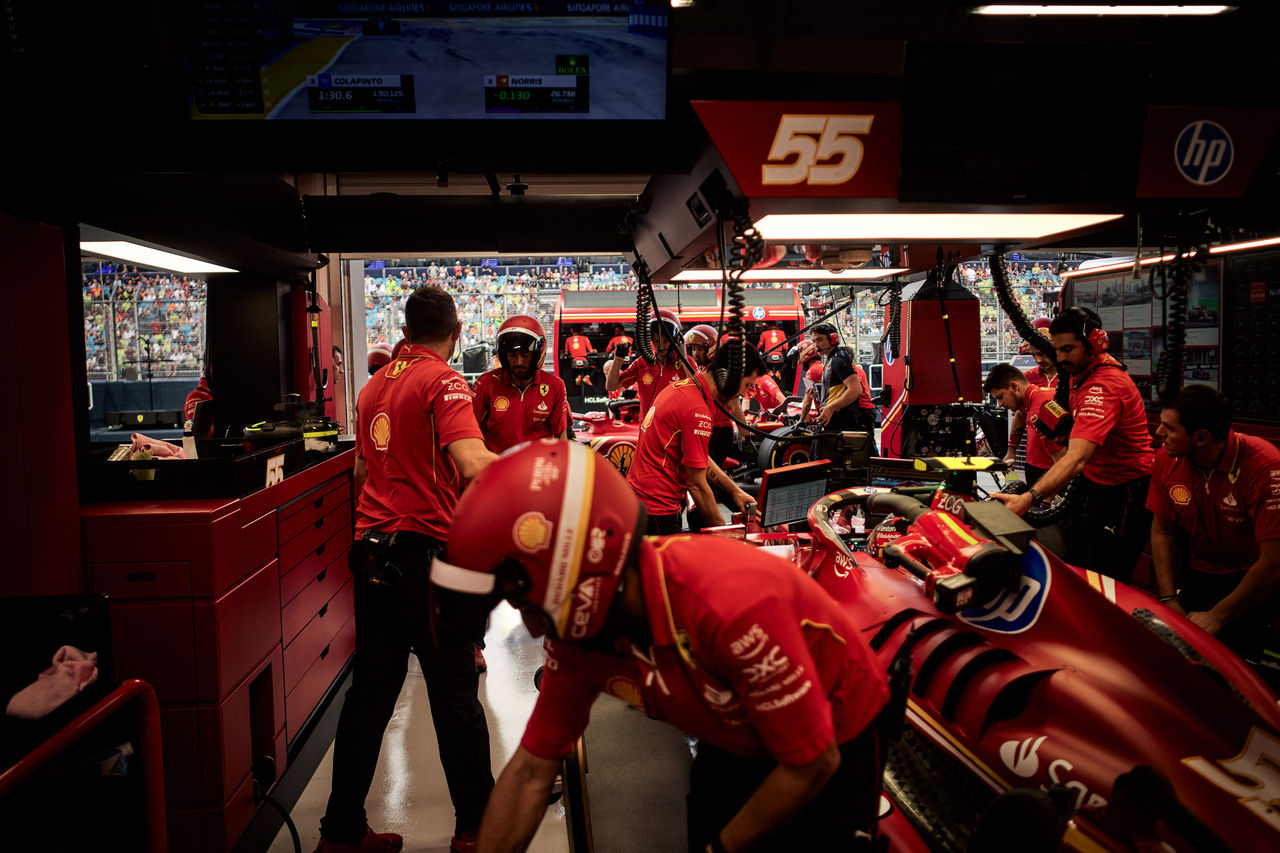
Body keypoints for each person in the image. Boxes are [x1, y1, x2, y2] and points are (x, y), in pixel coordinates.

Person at [427, 440, 891, 853]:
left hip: (834, 742)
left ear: (581, 565)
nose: (530, 627)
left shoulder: (728, 606)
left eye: (526, 603)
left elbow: (812, 762)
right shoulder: (579, 637)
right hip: (732, 733)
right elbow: (531, 770)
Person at [314, 286, 496, 853]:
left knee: (369, 696)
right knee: (455, 695)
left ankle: (340, 834)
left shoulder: (373, 386)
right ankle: (477, 830)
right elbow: (473, 462)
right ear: (456, 332)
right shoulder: (445, 381)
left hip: (372, 555)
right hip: (424, 560)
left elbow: (360, 474)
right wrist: (544, 470)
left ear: (406, 330)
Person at [992, 307, 1153, 583]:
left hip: (1124, 491)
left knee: (1107, 576)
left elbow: (1076, 458)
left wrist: (1027, 499)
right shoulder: (1080, 375)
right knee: (1086, 562)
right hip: (1098, 484)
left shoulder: (1103, 385)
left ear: (1095, 344)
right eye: (1057, 350)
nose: (1060, 357)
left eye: (1068, 349)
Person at [1147, 385, 1280, 661]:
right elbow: (1163, 532)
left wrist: (1218, 616)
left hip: (1252, 580)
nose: (1158, 433)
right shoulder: (1167, 459)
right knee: (1180, 658)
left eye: (1168, 428)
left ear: (1201, 437)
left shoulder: (1265, 466)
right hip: (1198, 570)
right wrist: (1168, 598)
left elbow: (1274, 562)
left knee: (1236, 664)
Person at [626, 343, 763, 534]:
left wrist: (735, 491)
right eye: (747, 385)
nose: (743, 394)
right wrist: (728, 537)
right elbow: (696, 484)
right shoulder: (697, 410)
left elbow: (698, 457)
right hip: (657, 510)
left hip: (643, 504)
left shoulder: (683, 389)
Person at [471, 315, 570, 453]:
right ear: (504, 356)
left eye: (524, 355)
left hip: (537, 464)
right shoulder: (486, 383)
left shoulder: (555, 386)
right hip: (496, 463)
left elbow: (561, 436)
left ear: (537, 354)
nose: (518, 362)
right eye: (512, 355)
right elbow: (471, 433)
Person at [799, 323, 878, 456]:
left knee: (859, 454)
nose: (816, 345)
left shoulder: (838, 360)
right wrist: (819, 395)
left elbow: (855, 390)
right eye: (814, 341)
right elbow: (839, 390)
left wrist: (830, 408)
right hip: (840, 415)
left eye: (820, 340)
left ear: (833, 338)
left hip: (848, 415)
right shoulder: (832, 360)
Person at [984, 364, 1068, 485]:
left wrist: (1042, 493)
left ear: (1014, 386)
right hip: (1036, 466)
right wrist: (1011, 450)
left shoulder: (1040, 409)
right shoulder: (1033, 397)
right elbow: (1020, 414)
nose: (999, 404)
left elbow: (1062, 460)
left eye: (1000, 397)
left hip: (1049, 472)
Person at [606, 308, 688, 417]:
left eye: (666, 341)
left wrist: (683, 358)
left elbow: (700, 389)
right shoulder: (641, 363)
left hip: (675, 426)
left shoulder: (685, 363)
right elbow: (611, 386)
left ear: (676, 340)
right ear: (651, 340)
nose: (662, 346)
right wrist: (618, 359)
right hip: (647, 426)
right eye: (657, 341)